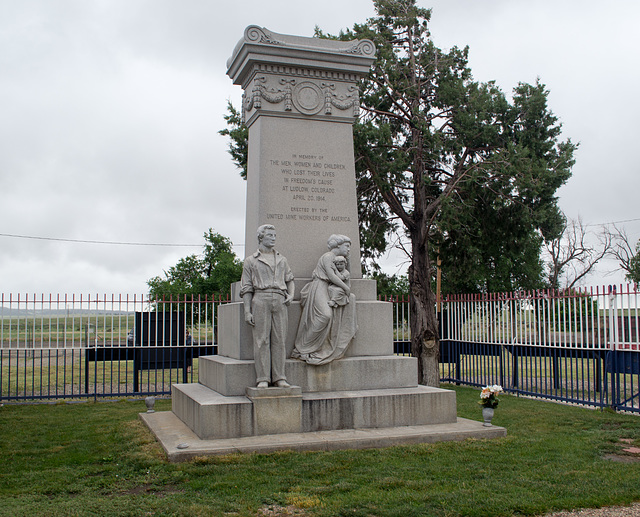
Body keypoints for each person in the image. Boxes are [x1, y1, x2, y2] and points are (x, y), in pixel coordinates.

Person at [240, 224, 295, 388]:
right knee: (261, 340)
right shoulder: (251, 261)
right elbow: (247, 287)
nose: (273, 238)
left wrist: (291, 294)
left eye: (275, 235)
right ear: (260, 237)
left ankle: (280, 377)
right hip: (260, 298)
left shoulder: (282, 259)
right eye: (270, 235)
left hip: (280, 299)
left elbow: (290, 279)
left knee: (280, 341)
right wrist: (247, 310)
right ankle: (263, 378)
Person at [292, 234, 357, 365]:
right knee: (325, 315)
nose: (349, 249)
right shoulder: (328, 257)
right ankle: (303, 348)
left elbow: (346, 274)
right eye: (347, 246)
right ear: (338, 245)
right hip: (320, 286)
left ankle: (314, 347)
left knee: (329, 314)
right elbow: (332, 276)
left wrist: (348, 261)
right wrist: (345, 288)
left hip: (330, 288)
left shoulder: (338, 259)